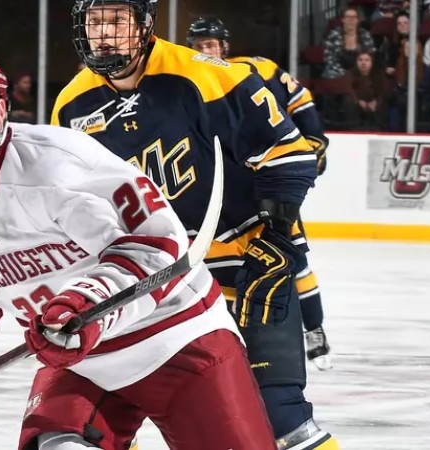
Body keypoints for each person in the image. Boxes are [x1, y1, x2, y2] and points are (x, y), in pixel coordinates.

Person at [0, 44, 278, 450]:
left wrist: (87, 303)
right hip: (79, 362)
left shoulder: (59, 163)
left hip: (178, 339)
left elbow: (158, 244)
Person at [52, 1, 338, 449]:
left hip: (245, 265)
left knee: (280, 420)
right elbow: (74, 203)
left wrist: (278, 238)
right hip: (155, 283)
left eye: (117, 20)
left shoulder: (208, 76)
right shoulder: (71, 105)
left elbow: (289, 155)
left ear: (145, 25)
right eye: (94, 22)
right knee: (92, 424)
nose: (104, 33)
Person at [186, 16, 333, 369]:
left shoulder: (257, 69)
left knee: (292, 257)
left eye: (211, 44)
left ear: (225, 46)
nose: (206, 50)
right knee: (221, 270)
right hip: (223, 189)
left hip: (265, 181)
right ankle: (235, 345)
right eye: (200, 46)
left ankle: (314, 328)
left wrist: (313, 139)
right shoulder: (186, 80)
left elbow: (299, 100)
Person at [322, 6, 375, 79]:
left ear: (358, 20)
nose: (351, 20)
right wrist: (344, 73)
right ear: (342, 20)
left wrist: (356, 72)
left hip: (360, 71)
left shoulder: (365, 35)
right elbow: (329, 59)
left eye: (354, 17)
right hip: (337, 72)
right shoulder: (333, 35)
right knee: (330, 73)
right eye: (348, 17)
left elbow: (370, 56)